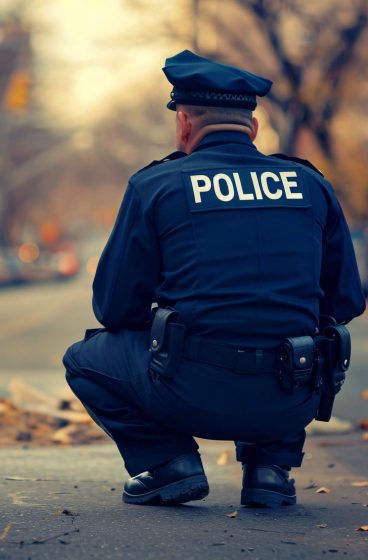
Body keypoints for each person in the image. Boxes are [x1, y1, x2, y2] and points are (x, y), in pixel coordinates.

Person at [63, 50, 365, 508]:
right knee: (303, 330)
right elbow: (345, 300)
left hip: (186, 392)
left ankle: (170, 464)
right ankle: (271, 469)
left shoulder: (157, 187)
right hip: (292, 397)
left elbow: (114, 309)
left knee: (83, 359)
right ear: (254, 128)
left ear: (184, 124)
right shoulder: (311, 185)